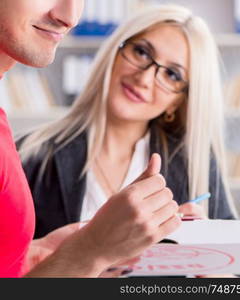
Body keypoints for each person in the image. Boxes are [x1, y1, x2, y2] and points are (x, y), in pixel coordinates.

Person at [17, 3, 238, 243]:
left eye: (172, 75)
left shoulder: (196, 164)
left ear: (177, 102)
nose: (144, 78)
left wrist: (206, 254)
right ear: (115, 53)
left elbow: (233, 276)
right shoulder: (30, 154)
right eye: (142, 52)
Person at [0, 0, 181, 278]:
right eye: (141, 52)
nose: (70, 17)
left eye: (172, 74)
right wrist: (90, 251)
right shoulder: (35, 151)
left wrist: (31, 258)